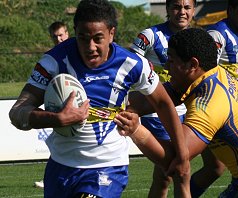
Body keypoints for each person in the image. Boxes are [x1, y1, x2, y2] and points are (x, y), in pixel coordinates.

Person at [9, 0, 189, 197]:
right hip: (60, 168)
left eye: (97, 38)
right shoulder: (53, 61)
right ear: (75, 31)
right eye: (83, 38)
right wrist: (56, 119)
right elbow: (18, 112)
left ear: (112, 33)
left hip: (107, 167)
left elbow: (163, 102)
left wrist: (183, 155)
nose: (90, 46)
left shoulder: (132, 64)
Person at [114, 28, 238, 198]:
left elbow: (177, 158)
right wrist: (111, 101)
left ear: (193, 64)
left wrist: (136, 130)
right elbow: (158, 98)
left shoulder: (209, 104)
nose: (167, 67)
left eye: (171, 60)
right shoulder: (213, 73)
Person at [189, 1, 238, 196]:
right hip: (214, 111)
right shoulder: (217, 34)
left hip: (235, 111)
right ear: (231, 10)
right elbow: (204, 71)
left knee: (216, 168)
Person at [129, 0, 195, 197]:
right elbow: (128, 65)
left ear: (193, 9)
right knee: (176, 171)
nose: (181, 12)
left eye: (187, 7)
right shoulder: (150, 35)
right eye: (176, 7)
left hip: (186, 112)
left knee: (165, 176)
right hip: (156, 113)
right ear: (167, 9)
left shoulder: (196, 39)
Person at [33, 21, 70, 190]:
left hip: (77, 105)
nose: (59, 39)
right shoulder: (50, 58)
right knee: (56, 144)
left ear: (68, 34)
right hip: (59, 109)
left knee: (59, 145)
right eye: (55, 36)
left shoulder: (77, 53)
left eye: (61, 35)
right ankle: (53, 179)